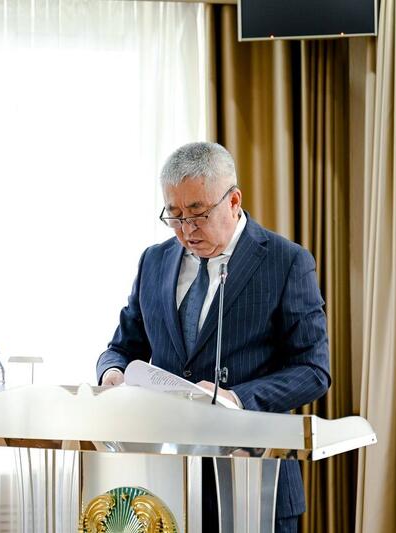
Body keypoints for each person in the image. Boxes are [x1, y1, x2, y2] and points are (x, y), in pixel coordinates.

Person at [96, 141, 331, 532]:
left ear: (234, 201)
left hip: (253, 483)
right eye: (174, 215)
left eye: (198, 213)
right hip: (165, 488)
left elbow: (313, 370)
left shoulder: (286, 261)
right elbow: (121, 347)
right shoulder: (154, 260)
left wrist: (235, 399)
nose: (186, 230)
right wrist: (112, 373)